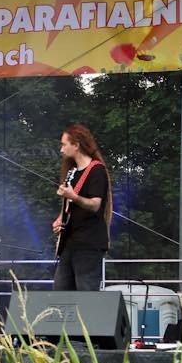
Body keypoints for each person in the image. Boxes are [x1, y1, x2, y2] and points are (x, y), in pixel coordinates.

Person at [51, 123, 112, 291]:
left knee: (86, 295)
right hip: (69, 243)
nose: (61, 149)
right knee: (60, 293)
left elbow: (95, 204)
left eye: (64, 144)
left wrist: (74, 197)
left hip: (88, 244)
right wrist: (60, 220)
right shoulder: (72, 172)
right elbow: (70, 207)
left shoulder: (96, 170)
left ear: (76, 145)